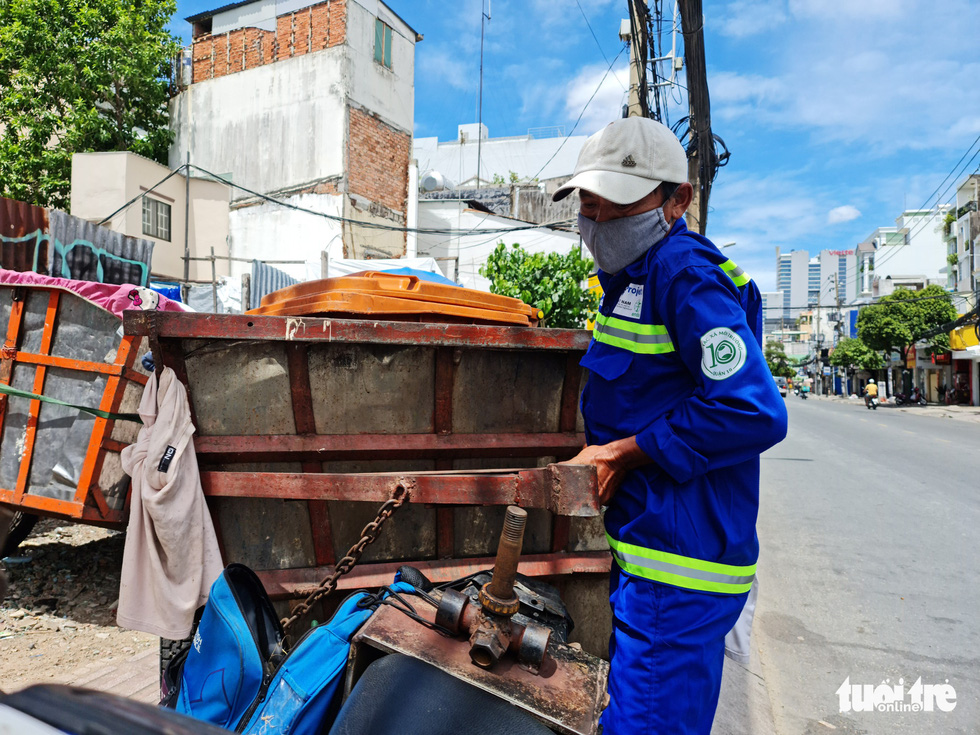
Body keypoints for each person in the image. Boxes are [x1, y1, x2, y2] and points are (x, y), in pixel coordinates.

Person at [555, 117, 788, 734]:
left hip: (679, 571)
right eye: (588, 204)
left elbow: (753, 409)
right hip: (650, 555)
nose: (596, 220)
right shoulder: (629, 279)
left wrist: (624, 454)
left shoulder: (682, 274)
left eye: (616, 205)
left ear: (677, 201)